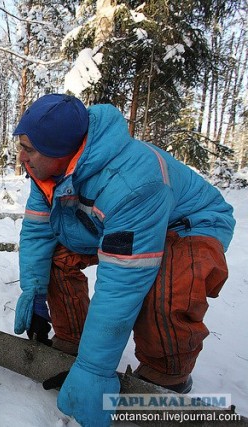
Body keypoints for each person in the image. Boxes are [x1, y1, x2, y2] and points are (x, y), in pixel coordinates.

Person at [12, 94, 235, 426]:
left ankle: (167, 375)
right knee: (56, 257)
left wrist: (95, 370)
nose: (21, 156)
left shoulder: (131, 182)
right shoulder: (47, 172)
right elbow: (37, 232)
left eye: (29, 149)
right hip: (114, 222)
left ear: (62, 152)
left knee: (166, 286)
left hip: (190, 225)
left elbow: (122, 285)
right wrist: (33, 292)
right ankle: (72, 340)